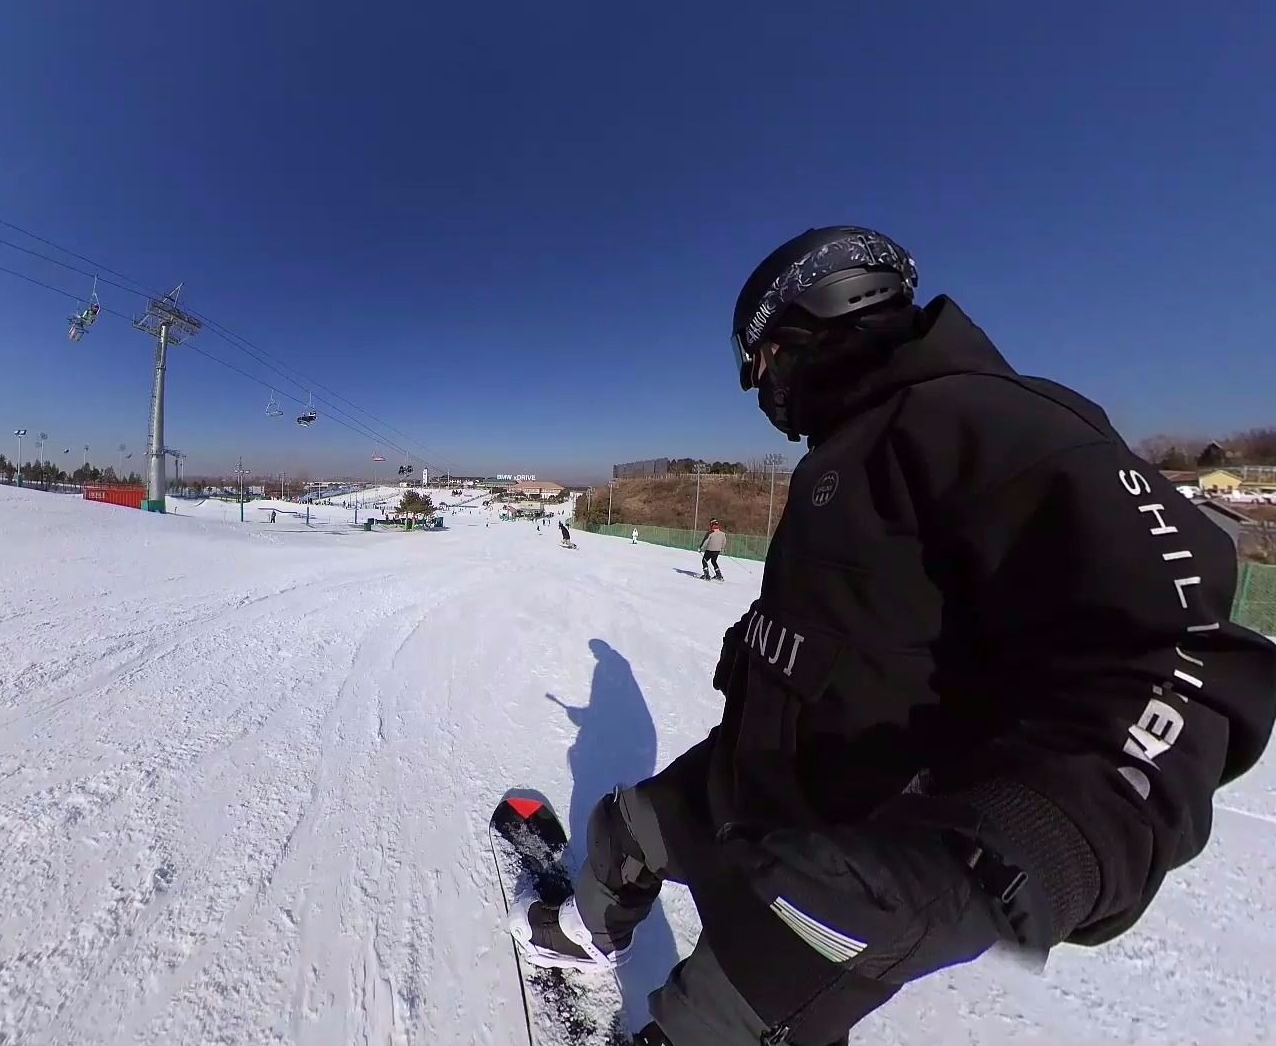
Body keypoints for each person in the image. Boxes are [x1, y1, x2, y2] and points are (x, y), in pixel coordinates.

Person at [510, 226, 1276, 1045]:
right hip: (757, 776)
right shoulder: (847, 452)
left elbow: (1176, 641)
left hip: (856, 849)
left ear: (809, 320)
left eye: (761, 362)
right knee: (626, 828)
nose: (759, 388)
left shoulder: (989, 419)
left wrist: (1040, 836)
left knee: (710, 1018)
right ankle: (586, 934)